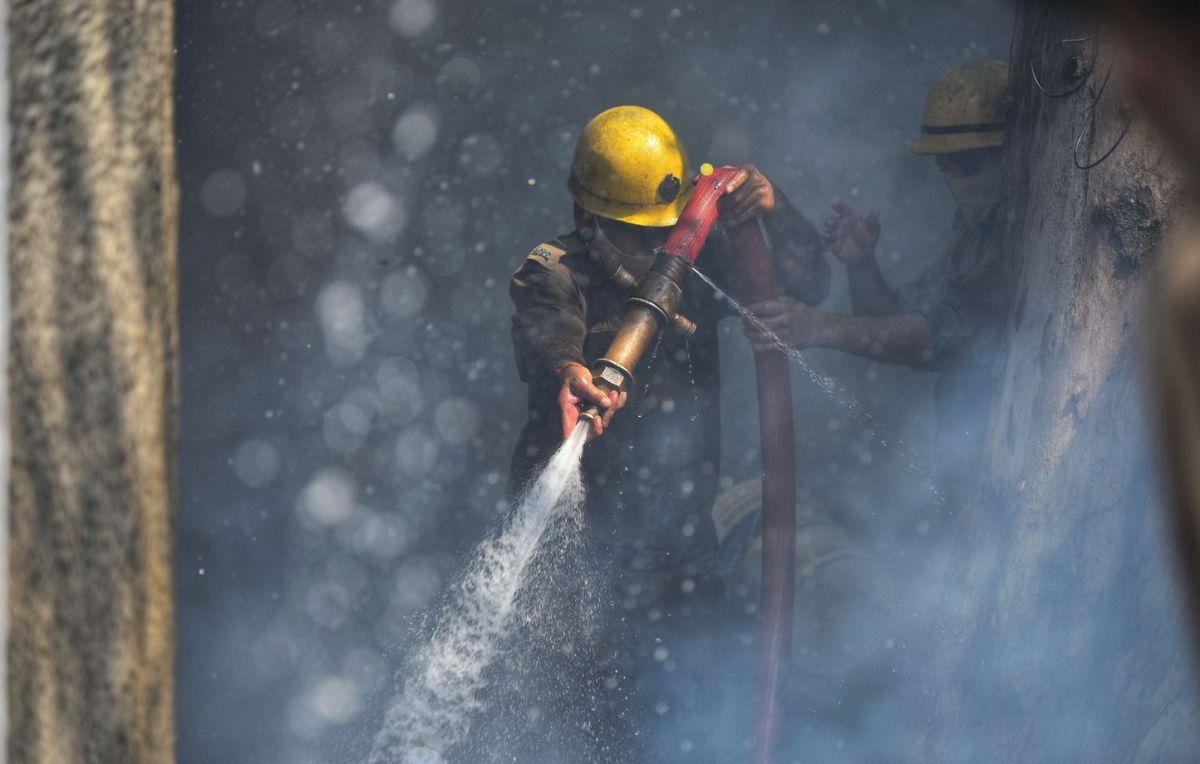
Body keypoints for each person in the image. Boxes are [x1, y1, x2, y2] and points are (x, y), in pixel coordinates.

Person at [505, 104, 829, 760]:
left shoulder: (695, 265)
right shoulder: (556, 271)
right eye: (632, 235)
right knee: (584, 738)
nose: (653, 252)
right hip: (580, 570)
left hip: (680, 560)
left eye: (661, 233)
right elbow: (546, 321)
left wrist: (777, 210)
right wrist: (572, 368)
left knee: (695, 728)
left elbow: (807, 283)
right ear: (586, 220)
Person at [746, 59, 1014, 503]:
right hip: (972, 468)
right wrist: (861, 264)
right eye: (944, 163)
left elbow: (933, 336)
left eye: (968, 161)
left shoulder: (1023, 235)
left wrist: (815, 327)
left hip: (1012, 463)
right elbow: (893, 322)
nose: (952, 176)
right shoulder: (976, 227)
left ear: (1012, 152)